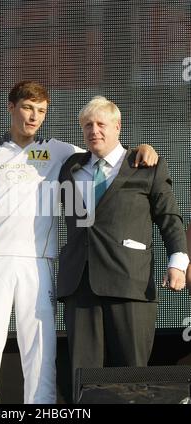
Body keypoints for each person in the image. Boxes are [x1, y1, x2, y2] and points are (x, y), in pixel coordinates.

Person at [0, 82, 158, 404]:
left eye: (41, 111)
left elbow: (106, 153)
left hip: (39, 264)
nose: (34, 116)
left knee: (41, 356)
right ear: (10, 107)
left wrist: (142, 148)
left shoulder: (61, 152)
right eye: (28, 108)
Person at [57, 95, 189, 400]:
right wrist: (5, 142)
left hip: (130, 283)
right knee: (84, 381)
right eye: (87, 125)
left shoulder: (145, 165)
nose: (94, 130)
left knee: (132, 379)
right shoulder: (71, 167)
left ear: (118, 126)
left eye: (101, 124)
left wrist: (178, 263)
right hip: (81, 286)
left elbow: (169, 218)